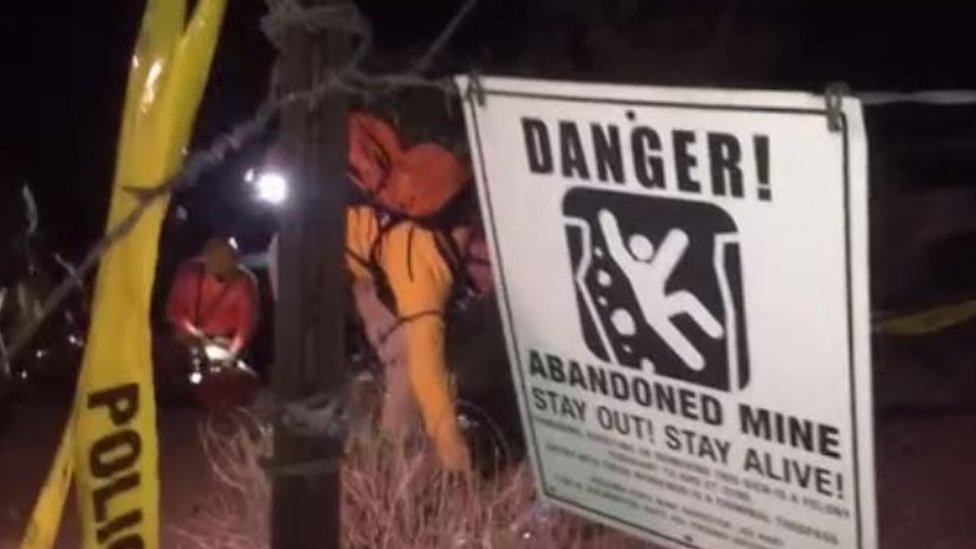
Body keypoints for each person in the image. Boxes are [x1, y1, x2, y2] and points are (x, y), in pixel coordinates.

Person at [162, 236, 260, 408]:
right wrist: (192, 333)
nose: (222, 263)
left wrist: (232, 352)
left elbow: (246, 326)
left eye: (228, 258)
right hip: (190, 339)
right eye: (217, 256)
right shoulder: (189, 273)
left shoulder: (244, 281)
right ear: (206, 257)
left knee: (234, 378)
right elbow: (175, 310)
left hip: (225, 343)